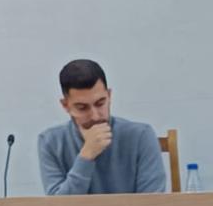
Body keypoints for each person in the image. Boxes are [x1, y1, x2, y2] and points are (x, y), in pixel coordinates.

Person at [37, 59, 165, 195]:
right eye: (82, 108)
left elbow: (152, 204)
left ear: (109, 96)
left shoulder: (141, 136)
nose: (95, 116)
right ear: (65, 105)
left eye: (100, 103)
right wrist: (86, 155)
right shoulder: (49, 141)